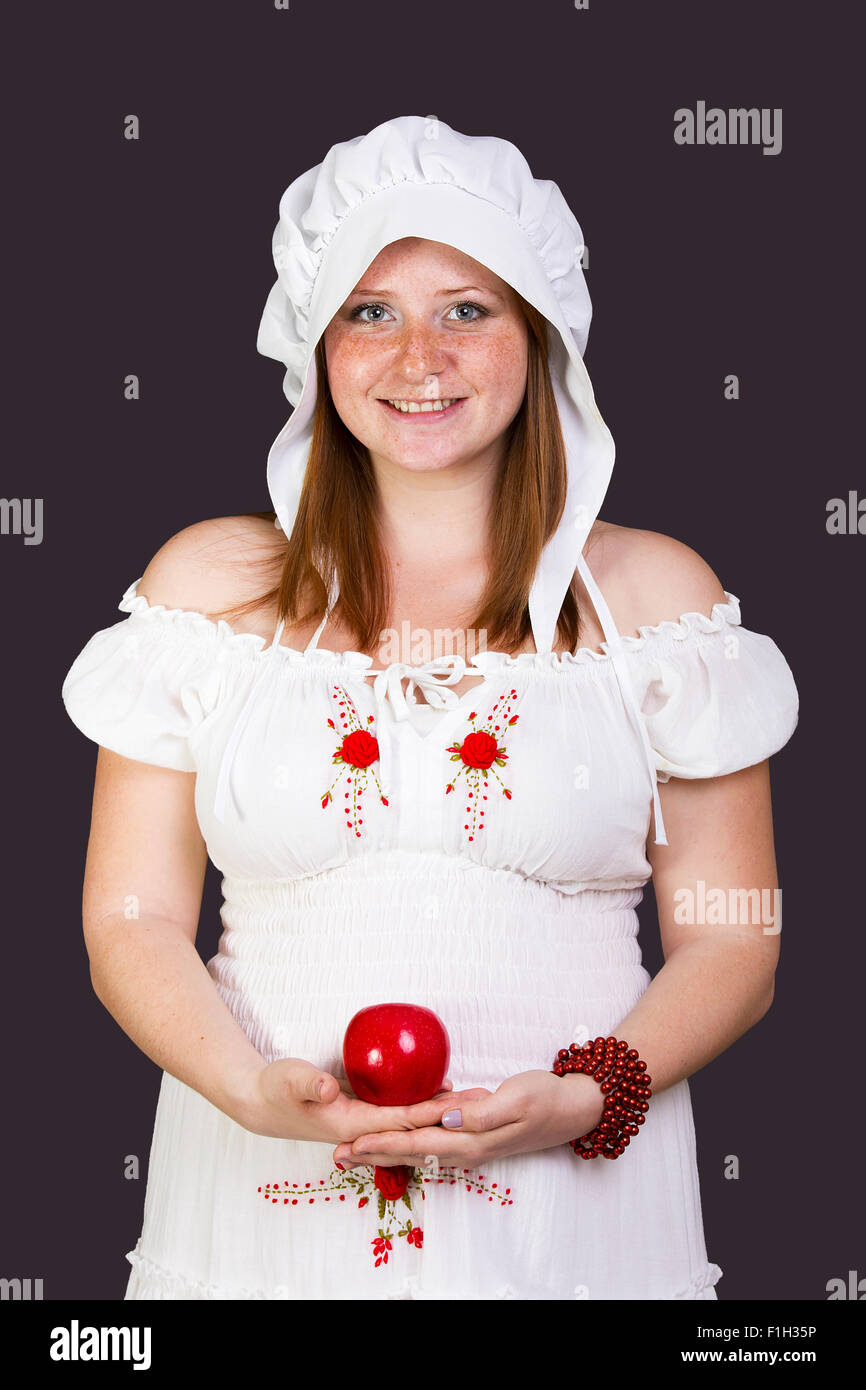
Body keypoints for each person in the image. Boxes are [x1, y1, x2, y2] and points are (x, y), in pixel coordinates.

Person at [61, 114, 799, 1300]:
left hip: (575, 1221)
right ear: (315, 347)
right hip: (259, 1207)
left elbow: (733, 939)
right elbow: (129, 920)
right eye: (369, 310)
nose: (419, 357)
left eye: (466, 308)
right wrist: (251, 1090)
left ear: (538, 335)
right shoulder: (207, 590)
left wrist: (586, 1093)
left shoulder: (657, 602)